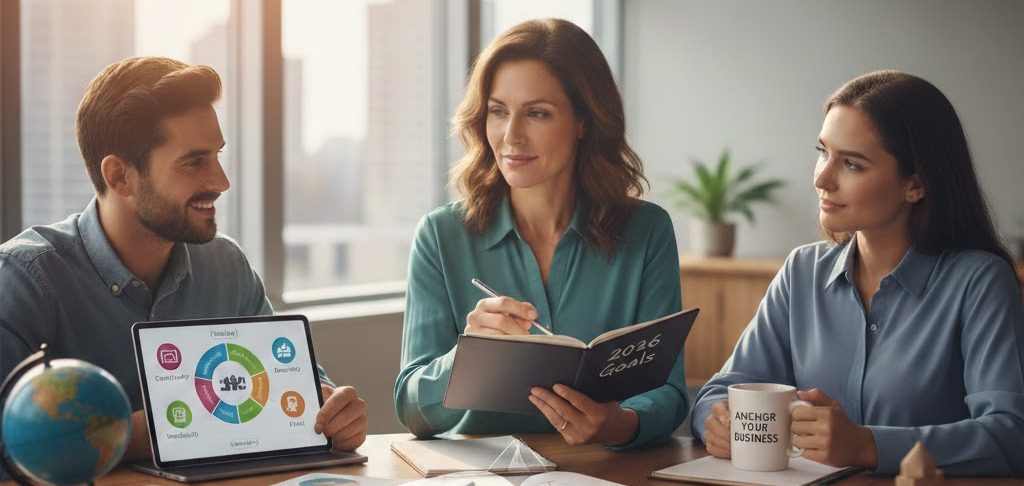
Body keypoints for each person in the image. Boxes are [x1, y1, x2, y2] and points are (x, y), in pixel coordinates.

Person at [0, 57, 368, 462]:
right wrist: (141, 434)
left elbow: (296, 387)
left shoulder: (226, 266)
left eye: (218, 156)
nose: (221, 181)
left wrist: (332, 413)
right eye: (195, 162)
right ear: (119, 176)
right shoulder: (24, 281)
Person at [691, 70, 1024, 476]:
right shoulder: (801, 272)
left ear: (915, 185)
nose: (821, 178)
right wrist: (716, 422)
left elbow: (1011, 434)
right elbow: (720, 390)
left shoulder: (980, 282)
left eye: (851, 164)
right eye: (823, 152)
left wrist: (867, 445)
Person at [394, 18, 687, 450]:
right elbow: (411, 410)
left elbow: (670, 392)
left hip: (606, 471)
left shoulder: (647, 231)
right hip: (481, 478)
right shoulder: (441, 235)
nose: (511, 136)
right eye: (498, 111)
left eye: (537, 113)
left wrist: (619, 424)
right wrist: (469, 356)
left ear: (584, 121)